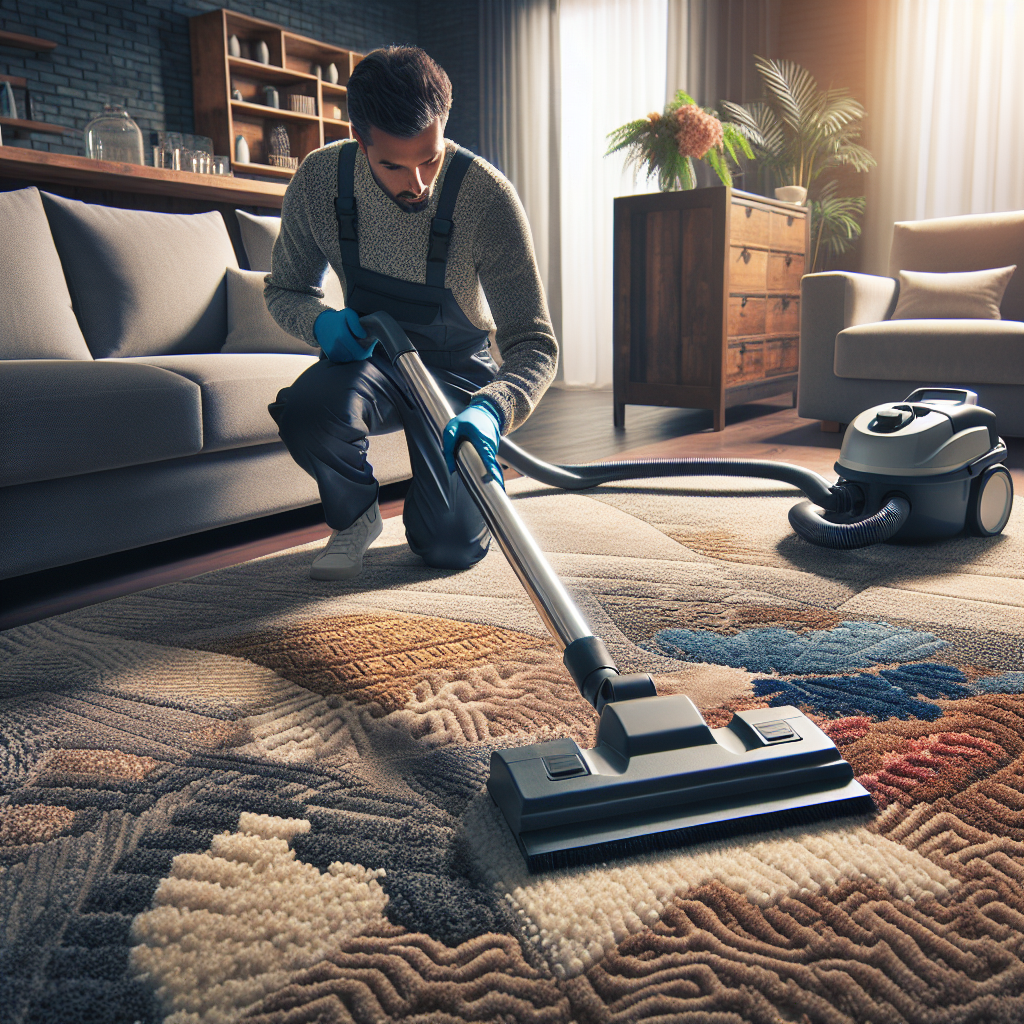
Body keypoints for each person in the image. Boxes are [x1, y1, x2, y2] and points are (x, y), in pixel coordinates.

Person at [265, 45, 557, 580]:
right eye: (394, 165)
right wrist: (321, 323)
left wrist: (493, 408)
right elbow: (285, 290)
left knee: (449, 549)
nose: (418, 183)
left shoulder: (485, 197)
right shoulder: (320, 181)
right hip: (373, 358)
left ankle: (461, 511)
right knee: (308, 410)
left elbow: (535, 345)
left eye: (430, 158)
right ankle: (354, 517)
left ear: (445, 127)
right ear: (360, 140)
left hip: (457, 372)